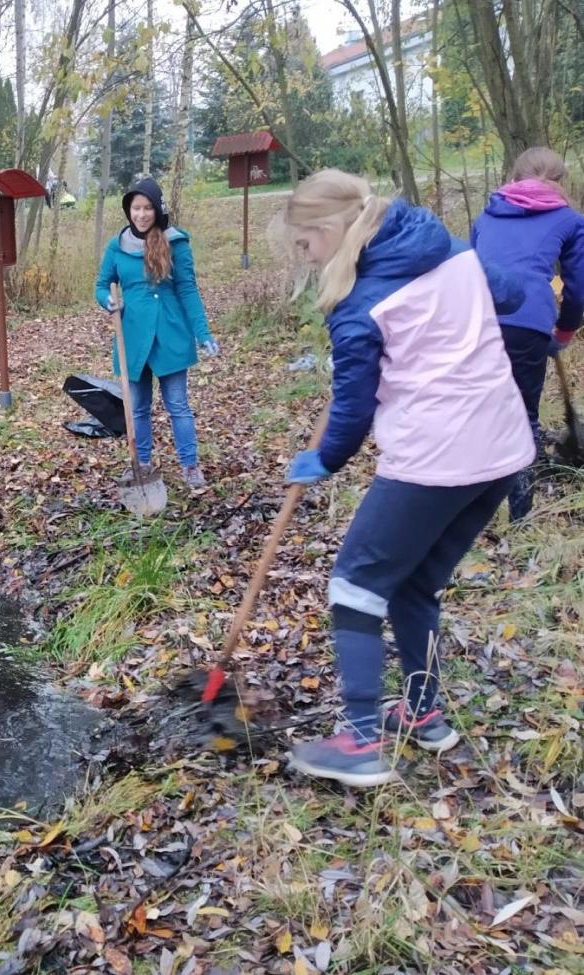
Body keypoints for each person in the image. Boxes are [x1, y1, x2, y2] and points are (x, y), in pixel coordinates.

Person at [282, 170, 532, 788]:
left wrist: (326, 459)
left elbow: (352, 408)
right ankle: (424, 714)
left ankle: (360, 741)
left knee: (356, 585)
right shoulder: (444, 249)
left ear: (332, 229)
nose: (300, 254)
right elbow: (510, 294)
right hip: (500, 452)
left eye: (303, 242)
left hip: (437, 458)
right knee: (415, 583)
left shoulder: (358, 304)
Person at [471, 147, 584, 520]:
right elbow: (579, 286)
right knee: (523, 418)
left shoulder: (486, 216)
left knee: (481, 412)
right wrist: (565, 329)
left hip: (476, 322)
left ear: (515, 177)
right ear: (560, 181)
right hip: (527, 324)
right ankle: (521, 519)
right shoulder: (569, 220)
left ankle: (468, 511)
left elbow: (470, 273)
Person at [94, 177, 218, 489]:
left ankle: (190, 466)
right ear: (129, 210)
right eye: (136, 208)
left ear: (157, 209)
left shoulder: (175, 242)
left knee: (178, 405)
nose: (141, 214)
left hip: (170, 335)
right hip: (133, 338)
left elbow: (188, 290)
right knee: (137, 408)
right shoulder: (117, 246)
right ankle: (143, 463)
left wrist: (202, 333)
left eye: (148, 207)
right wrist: (107, 300)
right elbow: (101, 283)